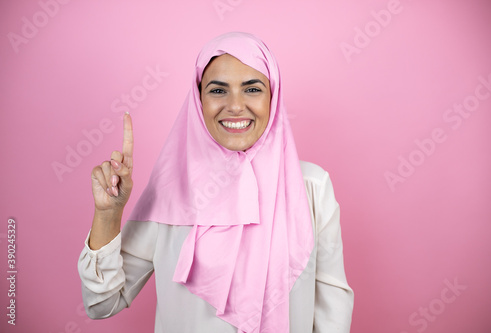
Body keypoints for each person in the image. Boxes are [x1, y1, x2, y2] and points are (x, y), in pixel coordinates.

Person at [78, 32, 354, 333]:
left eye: (252, 89)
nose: (235, 106)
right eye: (218, 91)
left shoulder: (311, 186)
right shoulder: (171, 192)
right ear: (198, 101)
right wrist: (108, 214)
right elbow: (101, 304)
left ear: (273, 97)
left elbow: (332, 310)